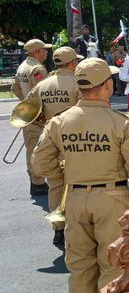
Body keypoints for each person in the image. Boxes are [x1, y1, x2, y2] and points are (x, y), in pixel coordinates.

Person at [31, 58, 129, 293]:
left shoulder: (59, 122)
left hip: (74, 199)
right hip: (113, 201)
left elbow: (39, 165)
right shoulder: (122, 122)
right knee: (114, 264)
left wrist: (66, 173)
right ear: (106, 86)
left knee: (80, 267)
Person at [26, 47, 83, 245]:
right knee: (77, 186)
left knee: (56, 185)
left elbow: (28, 110)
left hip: (50, 139)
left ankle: (58, 230)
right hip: (74, 141)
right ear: (73, 63)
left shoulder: (43, 84)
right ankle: (75, 229)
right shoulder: (78, 82)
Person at [11, 38, 51, 196]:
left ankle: (36, 181)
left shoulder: (22, 66)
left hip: (28, 113)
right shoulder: (37, 69)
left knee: (31, 147)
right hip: (38, 115)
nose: (47, 52)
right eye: (44, 49)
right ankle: (38, 183)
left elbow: (15, 87)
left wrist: (26, 103)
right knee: (37, 149)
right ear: (37, 51)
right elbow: (42, 92)